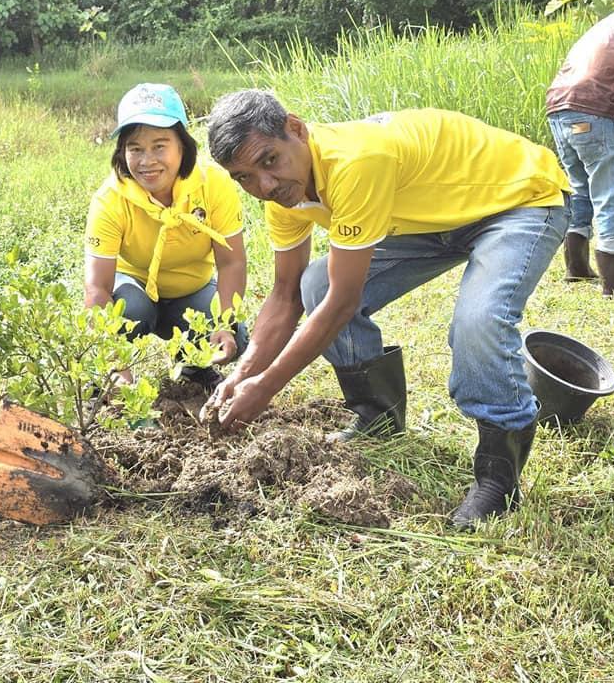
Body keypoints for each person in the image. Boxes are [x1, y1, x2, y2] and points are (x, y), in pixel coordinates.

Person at [202, 90, 570, 529]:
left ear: (296, 130)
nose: (263, 186)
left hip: (518, 199)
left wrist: (266, 387)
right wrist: (242, 374)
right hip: (432, 220)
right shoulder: (286, 195)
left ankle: (498, 477)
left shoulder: (355, 163)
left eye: (269, 161)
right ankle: (378, 417)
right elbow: (285, 296)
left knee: (479, 321)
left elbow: (343, 304)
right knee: (314, 283)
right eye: (243, 177)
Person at [83, 83, 248, 392]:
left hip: (190, 289)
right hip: (135, 288)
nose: (147, 161)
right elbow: (97, 288)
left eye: (160, 146)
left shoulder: (212, 184)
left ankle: (194, 369)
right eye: (135, 149)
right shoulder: (109, 199)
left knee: (236, 336)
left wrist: (225, 324)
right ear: (122, 151)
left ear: (183, 146)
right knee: (132, 309)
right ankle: (110, 378)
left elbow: (232, 263)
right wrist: (114, 363)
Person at [546, 8, 614, 298]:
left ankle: (576, 266)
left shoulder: (612, 22)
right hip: (595, 107)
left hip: (559, 107)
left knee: (581, 187)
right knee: (612, 191)